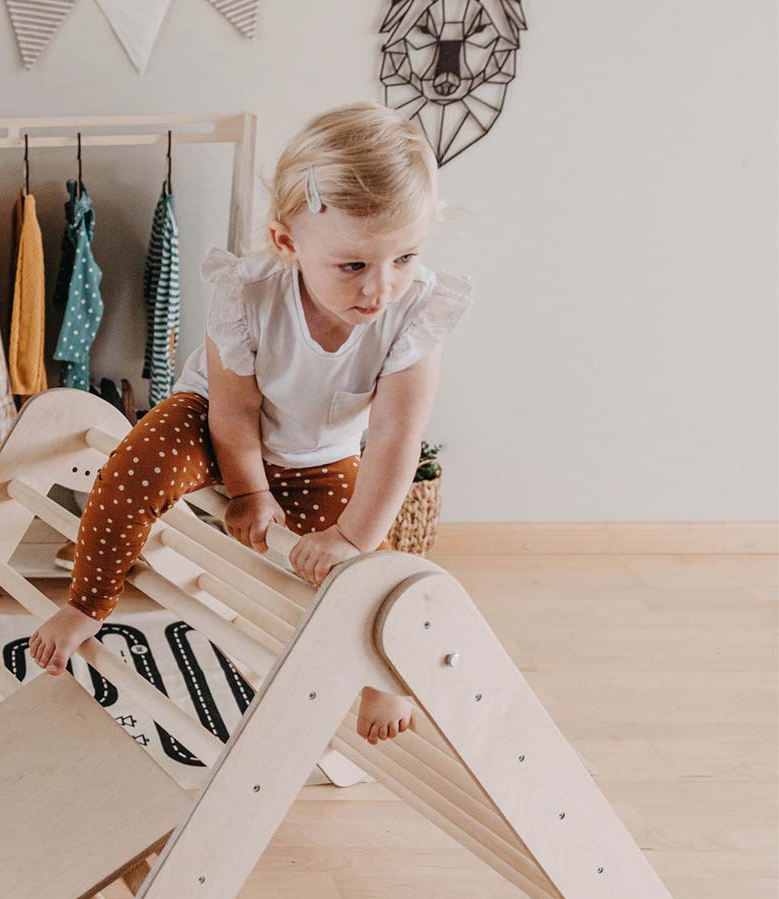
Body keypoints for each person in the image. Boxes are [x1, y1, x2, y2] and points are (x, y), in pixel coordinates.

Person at [29, 101, 473, 745]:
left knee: (370, 568)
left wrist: (350, 537)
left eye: (404, 258)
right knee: (132, 465)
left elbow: (396, 439)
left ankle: (383, 672)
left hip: (321, 451)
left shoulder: (417, 313)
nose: (381, 289)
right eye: (354, 266)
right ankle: (85, 604)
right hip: (213, 422)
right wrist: (249, 490)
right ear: (288, 243)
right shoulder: (248, 292)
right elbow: (233, 411)